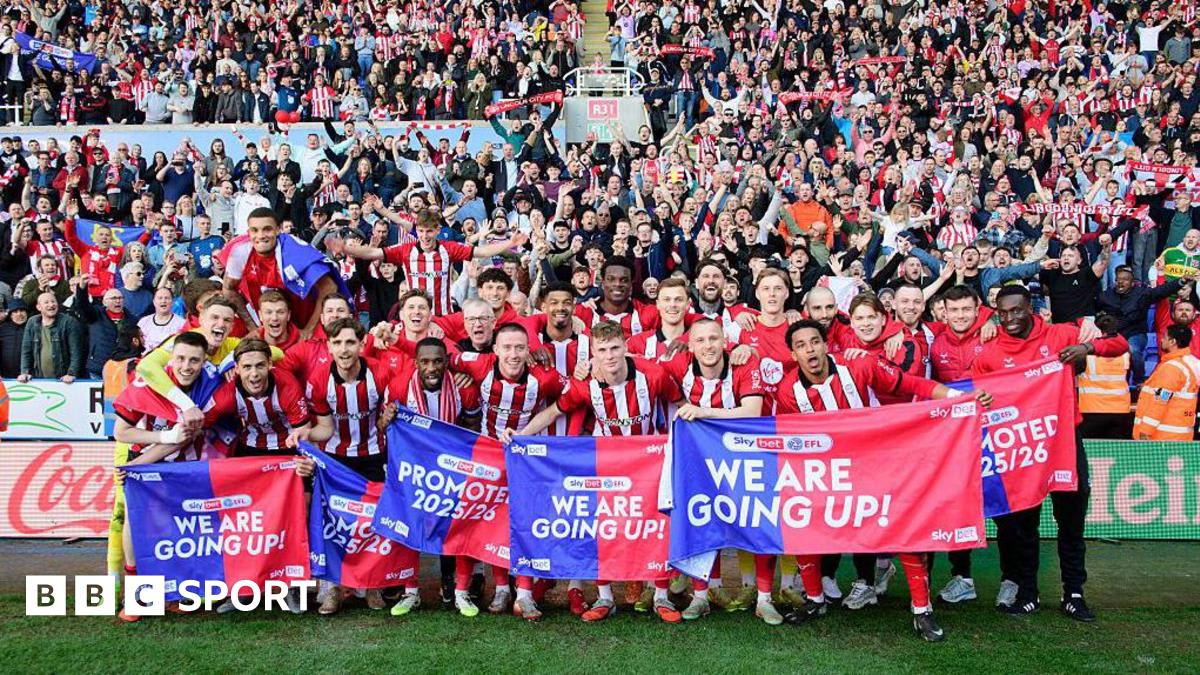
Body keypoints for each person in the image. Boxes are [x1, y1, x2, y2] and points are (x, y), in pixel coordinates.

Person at [774, 318, 988, 642]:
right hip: (830, 472)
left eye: (815, 341)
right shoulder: (787, 390)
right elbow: (789, 438)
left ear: (825, 344)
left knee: (903, 526)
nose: (810, 350)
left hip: (877, 464)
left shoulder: (858, 365)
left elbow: (911, 384)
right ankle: (815, 600)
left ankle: (922, 609)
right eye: (801, 345)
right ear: (793, 354)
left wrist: (958, 397)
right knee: (802, 523)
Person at [507, 321, 685, 624]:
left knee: (657, 525)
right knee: (602, 527)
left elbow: (681, 405)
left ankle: (661, 596)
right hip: (604, 464)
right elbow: (554, 412)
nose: (610, 356)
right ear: (593, 354)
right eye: (602, 350)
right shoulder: (584, 384)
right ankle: (605, 597)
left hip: (648, 464)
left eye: (615, 348)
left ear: (626, 347)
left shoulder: (652, 374)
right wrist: (521, 435)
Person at [972, 285, 1129, 621]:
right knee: (1023, 524)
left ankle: (1073, 593)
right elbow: (977, 393)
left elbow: (1119, 345)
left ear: (1032, 308)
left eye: (1017, 310)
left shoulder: (1059, 335)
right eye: (1003, 312)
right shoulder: (990, 352)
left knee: (1070, 522)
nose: (1010, 318)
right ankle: (1028, 593)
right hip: (1022, 446)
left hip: (1064, 441)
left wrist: (1086, 347)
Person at [662, 319, 779, 623]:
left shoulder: (743, 363)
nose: (708, 346)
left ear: (725, 341)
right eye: (700, 341)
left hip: (747, 456)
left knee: (758, 519)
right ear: (691, 346)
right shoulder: (678, 366)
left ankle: (765, 599)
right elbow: (640, 366)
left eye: (714, 339)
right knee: (702, 518)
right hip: (701, 460)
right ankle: (701, 596)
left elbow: (752, 412)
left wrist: (703, 412)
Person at [450, 323, 565, 620]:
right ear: (495, 349)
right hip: (486, 459)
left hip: (525, 461)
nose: (513, 354)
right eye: (507, 348)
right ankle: (500, 588)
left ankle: (524, 594)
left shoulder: (545, 378)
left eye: (519, 348)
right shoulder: (479, 365)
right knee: (480, 521)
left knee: (524, 525)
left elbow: (572, 397)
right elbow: (442, 353)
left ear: (528, 351)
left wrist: (527, 433)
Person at [381, 336, 484, 617]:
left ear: (447, 362)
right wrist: (387, 418)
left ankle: (458, 590)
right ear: (415, 363)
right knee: (410, 526)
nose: (431, 368)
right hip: (415, 469)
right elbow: (383, 427)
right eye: (424, 362)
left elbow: (473, 430)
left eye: (438, 361)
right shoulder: (400, 386)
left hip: (453, 468)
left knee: (457, 527)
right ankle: (410, 591)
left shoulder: (465, 390)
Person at [302, 317, 397, 615]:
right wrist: (304, 436)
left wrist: (387, 417)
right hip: (334, 461)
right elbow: (325, 429)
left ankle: (371, 587)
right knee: (330, 524)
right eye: (338, 343)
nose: (344, 349)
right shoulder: (318, 380)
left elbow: (383, 423)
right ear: (329, 346)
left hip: (372, 457)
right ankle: (330, 590)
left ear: (360, 344)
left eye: (350, 342)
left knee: (373, 523)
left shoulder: (379, 373)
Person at [344, 208, 526, 315]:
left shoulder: (449, 248)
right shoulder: (405, 250)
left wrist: (510, 242)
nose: (424, 236)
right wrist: (345, 248)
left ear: (437, 230)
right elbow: (373, 252)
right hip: (414, 317)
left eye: (429, 231)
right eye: (421, 231)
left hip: (443, 317)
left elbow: (482, 251)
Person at [1133, 324, 1200, 441]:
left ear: (1172, 341)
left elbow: (1160, 401)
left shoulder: (1171, 368)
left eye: (1165, 337)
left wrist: (1145, 430)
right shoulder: (1188, 364)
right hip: (1178, 435)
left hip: (1162, 437)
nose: (1162, 340)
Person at [19, 290, 85, 382]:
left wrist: (71, 374)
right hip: (39, 379)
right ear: (39, 307)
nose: (51, 305)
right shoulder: (32, 322)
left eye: (53, 301)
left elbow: (76, 351)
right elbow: (26, 350)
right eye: (46, 302)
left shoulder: (68, 322)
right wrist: (24, 372)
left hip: (64, 380)